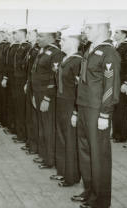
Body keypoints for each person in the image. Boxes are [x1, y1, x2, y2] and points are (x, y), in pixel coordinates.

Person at [71, 18, 121, 208]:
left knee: (98, 154)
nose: (85, 31)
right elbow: (82, 83)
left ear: (102, 28)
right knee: (85, 152)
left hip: (96, 110)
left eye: (89, 27)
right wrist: (77, 108)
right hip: (84, 106)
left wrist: (105, 113)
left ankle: (100, 198)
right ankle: (89, 190)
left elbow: (111, 85)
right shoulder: (90, 49)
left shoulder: (109, 53)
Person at [52, 26, 82, 187]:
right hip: (61, 102)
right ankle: (62, 171)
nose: (60, 43)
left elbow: (80, 89)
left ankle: (71, 176)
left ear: (72, 41)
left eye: (63, 40)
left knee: (70, 140)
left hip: (71, 104)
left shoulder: (77, 61)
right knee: (62, 138)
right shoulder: (66, 59)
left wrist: (76, 111)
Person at [31, 27, 64, 169]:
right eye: (37, 36)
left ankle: (50, 159)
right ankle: (44, 155)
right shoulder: (42, 50)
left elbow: (54, 78)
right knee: (42, 126)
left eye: (41, 36)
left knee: (48, 127)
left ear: (51, 37)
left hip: (46, 95)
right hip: (38, 93)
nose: (38, 39)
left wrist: (47, 98)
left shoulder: (56, 53)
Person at [4, 26, 31, 145]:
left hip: (21, 81)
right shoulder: (19, 46)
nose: (14, 35)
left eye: (16, 33)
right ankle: (16, 131)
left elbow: (26, 67)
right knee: (16, 106)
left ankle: (21, 135)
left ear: (22, 33)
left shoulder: (27, 47)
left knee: (20, 108)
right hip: (15, 80)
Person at [111, 26, 127, 143]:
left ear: (124, 35)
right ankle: (115, 132)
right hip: (114, 82)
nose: (114, 34)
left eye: (117, 32)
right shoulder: (116, 47)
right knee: (115, 108)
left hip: (121, 83)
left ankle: (122, 135)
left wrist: (126, 82)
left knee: (121, 109)